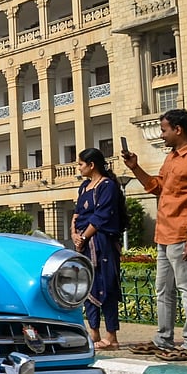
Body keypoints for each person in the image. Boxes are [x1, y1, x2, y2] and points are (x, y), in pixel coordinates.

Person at [122, 108, 187, 361]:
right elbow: (157, 188)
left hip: (184, 234)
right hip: (164, 234)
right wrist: (135, 168)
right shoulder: (172, 158)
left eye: (164, 129)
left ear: (178, 129)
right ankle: (163, 339)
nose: (161, 134)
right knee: (163, 291)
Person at [71, 148, 127, 350]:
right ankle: (93, 331)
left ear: (91, 165)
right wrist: (74, 234)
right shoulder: (85, 186)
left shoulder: (107, 186)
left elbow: (102, 216)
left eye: (80, 164)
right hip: (84, 243)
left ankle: (111, 336)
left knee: (107, 285)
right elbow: (77, 213)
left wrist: (84, 237)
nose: (79, 168)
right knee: (88, 285)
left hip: (101, 242)